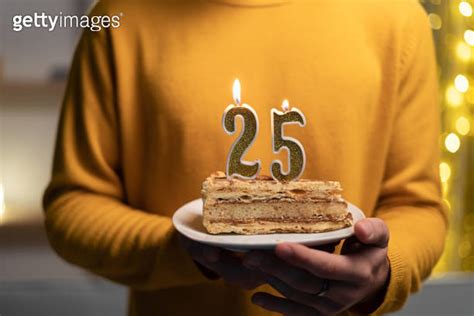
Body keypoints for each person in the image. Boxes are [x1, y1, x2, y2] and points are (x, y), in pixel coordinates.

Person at [43, 0, 447, 315]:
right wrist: (180, 248)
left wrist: (383, 272)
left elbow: (418, 207)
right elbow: (72, 207)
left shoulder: (395, 18)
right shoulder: (118, 19)